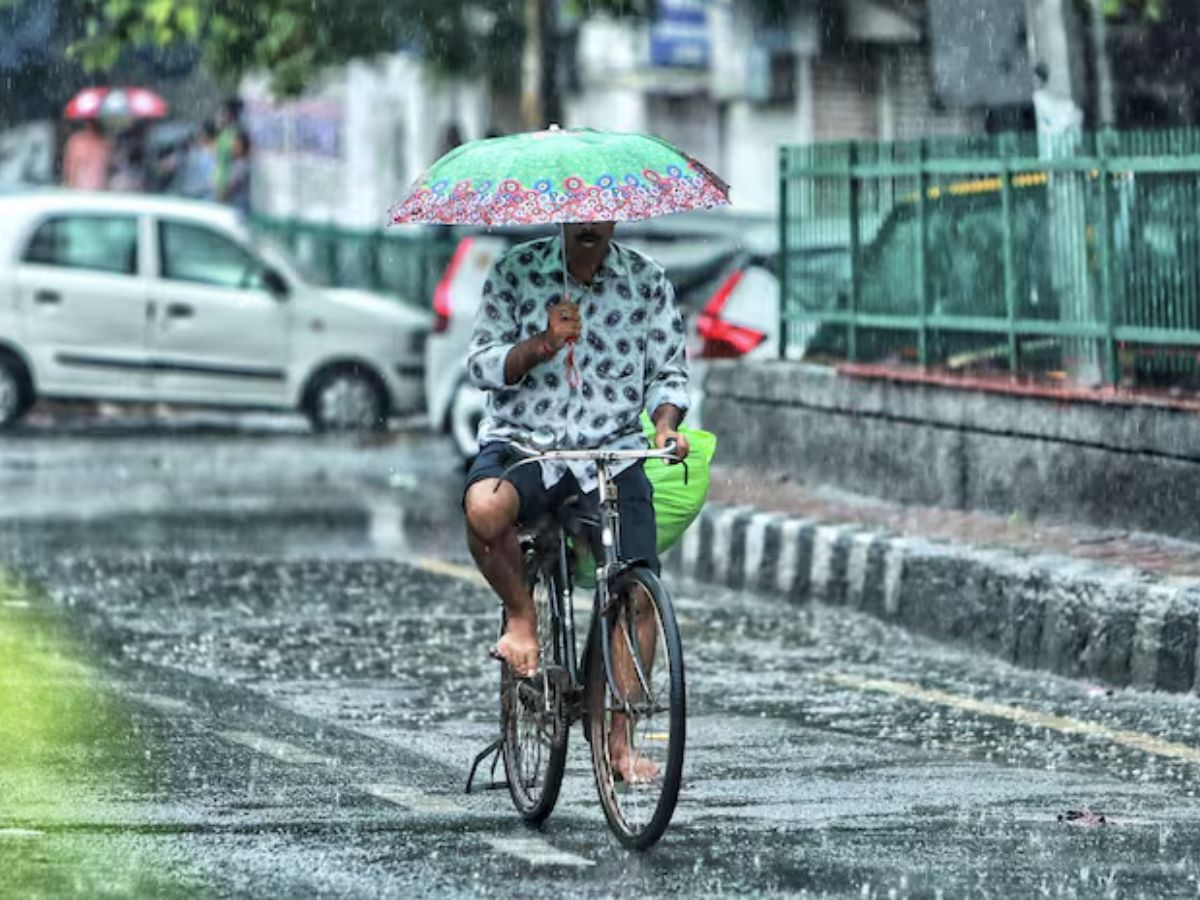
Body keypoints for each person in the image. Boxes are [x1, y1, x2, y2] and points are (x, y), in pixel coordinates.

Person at [462, 221, 691, 781]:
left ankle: (619, 740)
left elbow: (669, 376)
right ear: (563, 218)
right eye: (578, 213)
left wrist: (665, 428)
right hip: (526, 444)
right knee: (485, 508)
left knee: (638, 591)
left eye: (600, 213)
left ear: (613, 217)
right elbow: (482, 365)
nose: (589, 223)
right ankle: (521, 619)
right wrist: (541, 344)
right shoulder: (516, 272)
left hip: (610, 455)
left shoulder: (647, 280)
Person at [61, 120, 111, 190]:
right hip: (84, 189)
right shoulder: (77, 142)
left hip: (96, 189)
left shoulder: (104, 144)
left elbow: (70, 167)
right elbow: (71, 166)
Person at [219, 129, 252, 214]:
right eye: (233, 144)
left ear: (244, 148)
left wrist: (220, 195)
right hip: (240, 207)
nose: (233, 147)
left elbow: (231, 187)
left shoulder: (241, 166)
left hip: (238, 209)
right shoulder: (238, 163)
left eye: (237, 145)